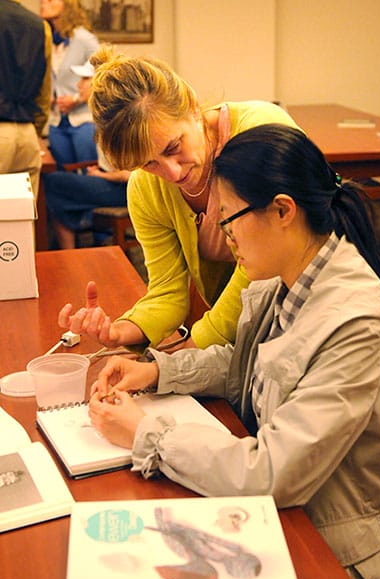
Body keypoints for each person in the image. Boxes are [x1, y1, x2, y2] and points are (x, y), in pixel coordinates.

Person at [88, 124, 380, 579]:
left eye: (229, 217)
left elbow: (274, 472)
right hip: (291, 520)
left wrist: (145, 435)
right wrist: (156, 372)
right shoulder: (285, 278)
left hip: (340, 555)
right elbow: (247, 365)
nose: (224, 235)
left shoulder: (357, 321)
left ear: (282, 210)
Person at [58, 46, 298, 351]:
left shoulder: (261, 134)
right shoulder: (146, 188)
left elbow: (262, 270)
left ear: (192, 107)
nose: (171, 173)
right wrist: (120, 332)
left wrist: (188, 352)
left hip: (305, 315)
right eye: (148, 163)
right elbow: (167, 292)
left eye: (173, 148)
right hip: (244, 337)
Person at [43, 60, 130, 249]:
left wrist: (100, 175)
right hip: (110, 181)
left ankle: (71, 251)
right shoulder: (105, 118)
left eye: (84, 79)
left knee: (52, 183)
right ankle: (75, 245)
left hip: (125, 191)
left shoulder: (117, 122)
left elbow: (132, 175)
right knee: (56, 188)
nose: (78, 85)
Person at [0, 0, 52, 200]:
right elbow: (44, 90)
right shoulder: (40, 26)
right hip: (27, 133)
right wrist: (36, 129)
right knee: (23, 223)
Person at [40, 0, 99, 167]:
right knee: (63, 175)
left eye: (51, 0)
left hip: (83, 120)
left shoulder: (84, 38)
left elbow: (103, 72)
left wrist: (76, 98)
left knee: (88, 174)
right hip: (56, 121)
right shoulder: (48, 39)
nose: (44, 3)